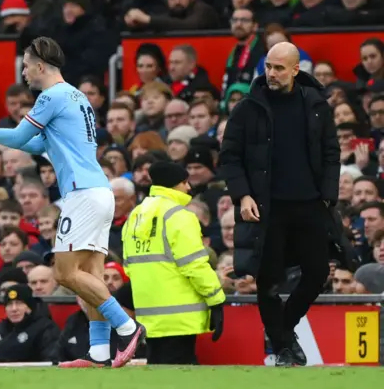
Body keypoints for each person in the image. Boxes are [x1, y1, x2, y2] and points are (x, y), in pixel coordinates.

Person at [0, 37, 144, 369]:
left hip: (82, 194)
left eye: (24, 64)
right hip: (97, 191)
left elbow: (19, 136)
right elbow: (38, 145)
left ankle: (127, 326)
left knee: (63, 273)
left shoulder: (51, 96)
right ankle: (99, 353)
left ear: (39, 65)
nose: (22, 71)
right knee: (89, 275)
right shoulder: (76, 96)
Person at [218, 42, 340, 367]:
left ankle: (283, 331)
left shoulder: (316, 105)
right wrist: (243, 195)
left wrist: (328, 196)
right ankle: (285, 348)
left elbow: (331, 153)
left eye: (279, 68)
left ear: (296, 70)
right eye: (268, 67)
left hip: (310, 204)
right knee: (268, 281)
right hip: (267, 208)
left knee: (316, 274)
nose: (271, 73)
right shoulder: (247, 108)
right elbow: (229, 157)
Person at [121, 160, 225, 365]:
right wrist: (216, 300)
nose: (189, 187)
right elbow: (194, 264)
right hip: (181, 316)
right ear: (174, 184)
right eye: (184, 182)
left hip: (148, 315)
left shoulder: (135, 215)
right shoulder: (180, 216)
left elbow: (129, 266)